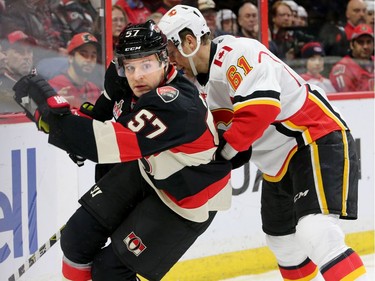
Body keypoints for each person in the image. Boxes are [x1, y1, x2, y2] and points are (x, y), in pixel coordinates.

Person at [158, 5, 368, 280]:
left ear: (189, 41)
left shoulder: (237, 54)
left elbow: (261, 108)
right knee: (284, 244)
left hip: (313, 138)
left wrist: (223, 156)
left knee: (315, 231)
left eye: (172, 51)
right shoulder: (194, 84)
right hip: (275, 163)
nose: (171, 60)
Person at [13, 20, 232, 281]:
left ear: (165, 61)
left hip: (187, 197)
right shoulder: (124, 77)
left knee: (110, 272)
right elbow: (105, 109)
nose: (137, 75)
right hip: (148, 168)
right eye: (130, 66)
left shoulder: (176, 104)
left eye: (146, 65)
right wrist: (80, 128)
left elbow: (106, 142)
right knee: (77, 238)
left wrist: (57, 123)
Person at [48, 32, 102, 109]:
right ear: (70, 57)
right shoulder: (54, 86)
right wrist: (54, 103)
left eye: (93, 56)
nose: (89, 60)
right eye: (83, 54)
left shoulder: (95, 90)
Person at [329, 23, 374, 93]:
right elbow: (347, 99)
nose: (365, 46)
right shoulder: (342, 69)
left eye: (369, 42)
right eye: (360, 42)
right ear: (352, 45)